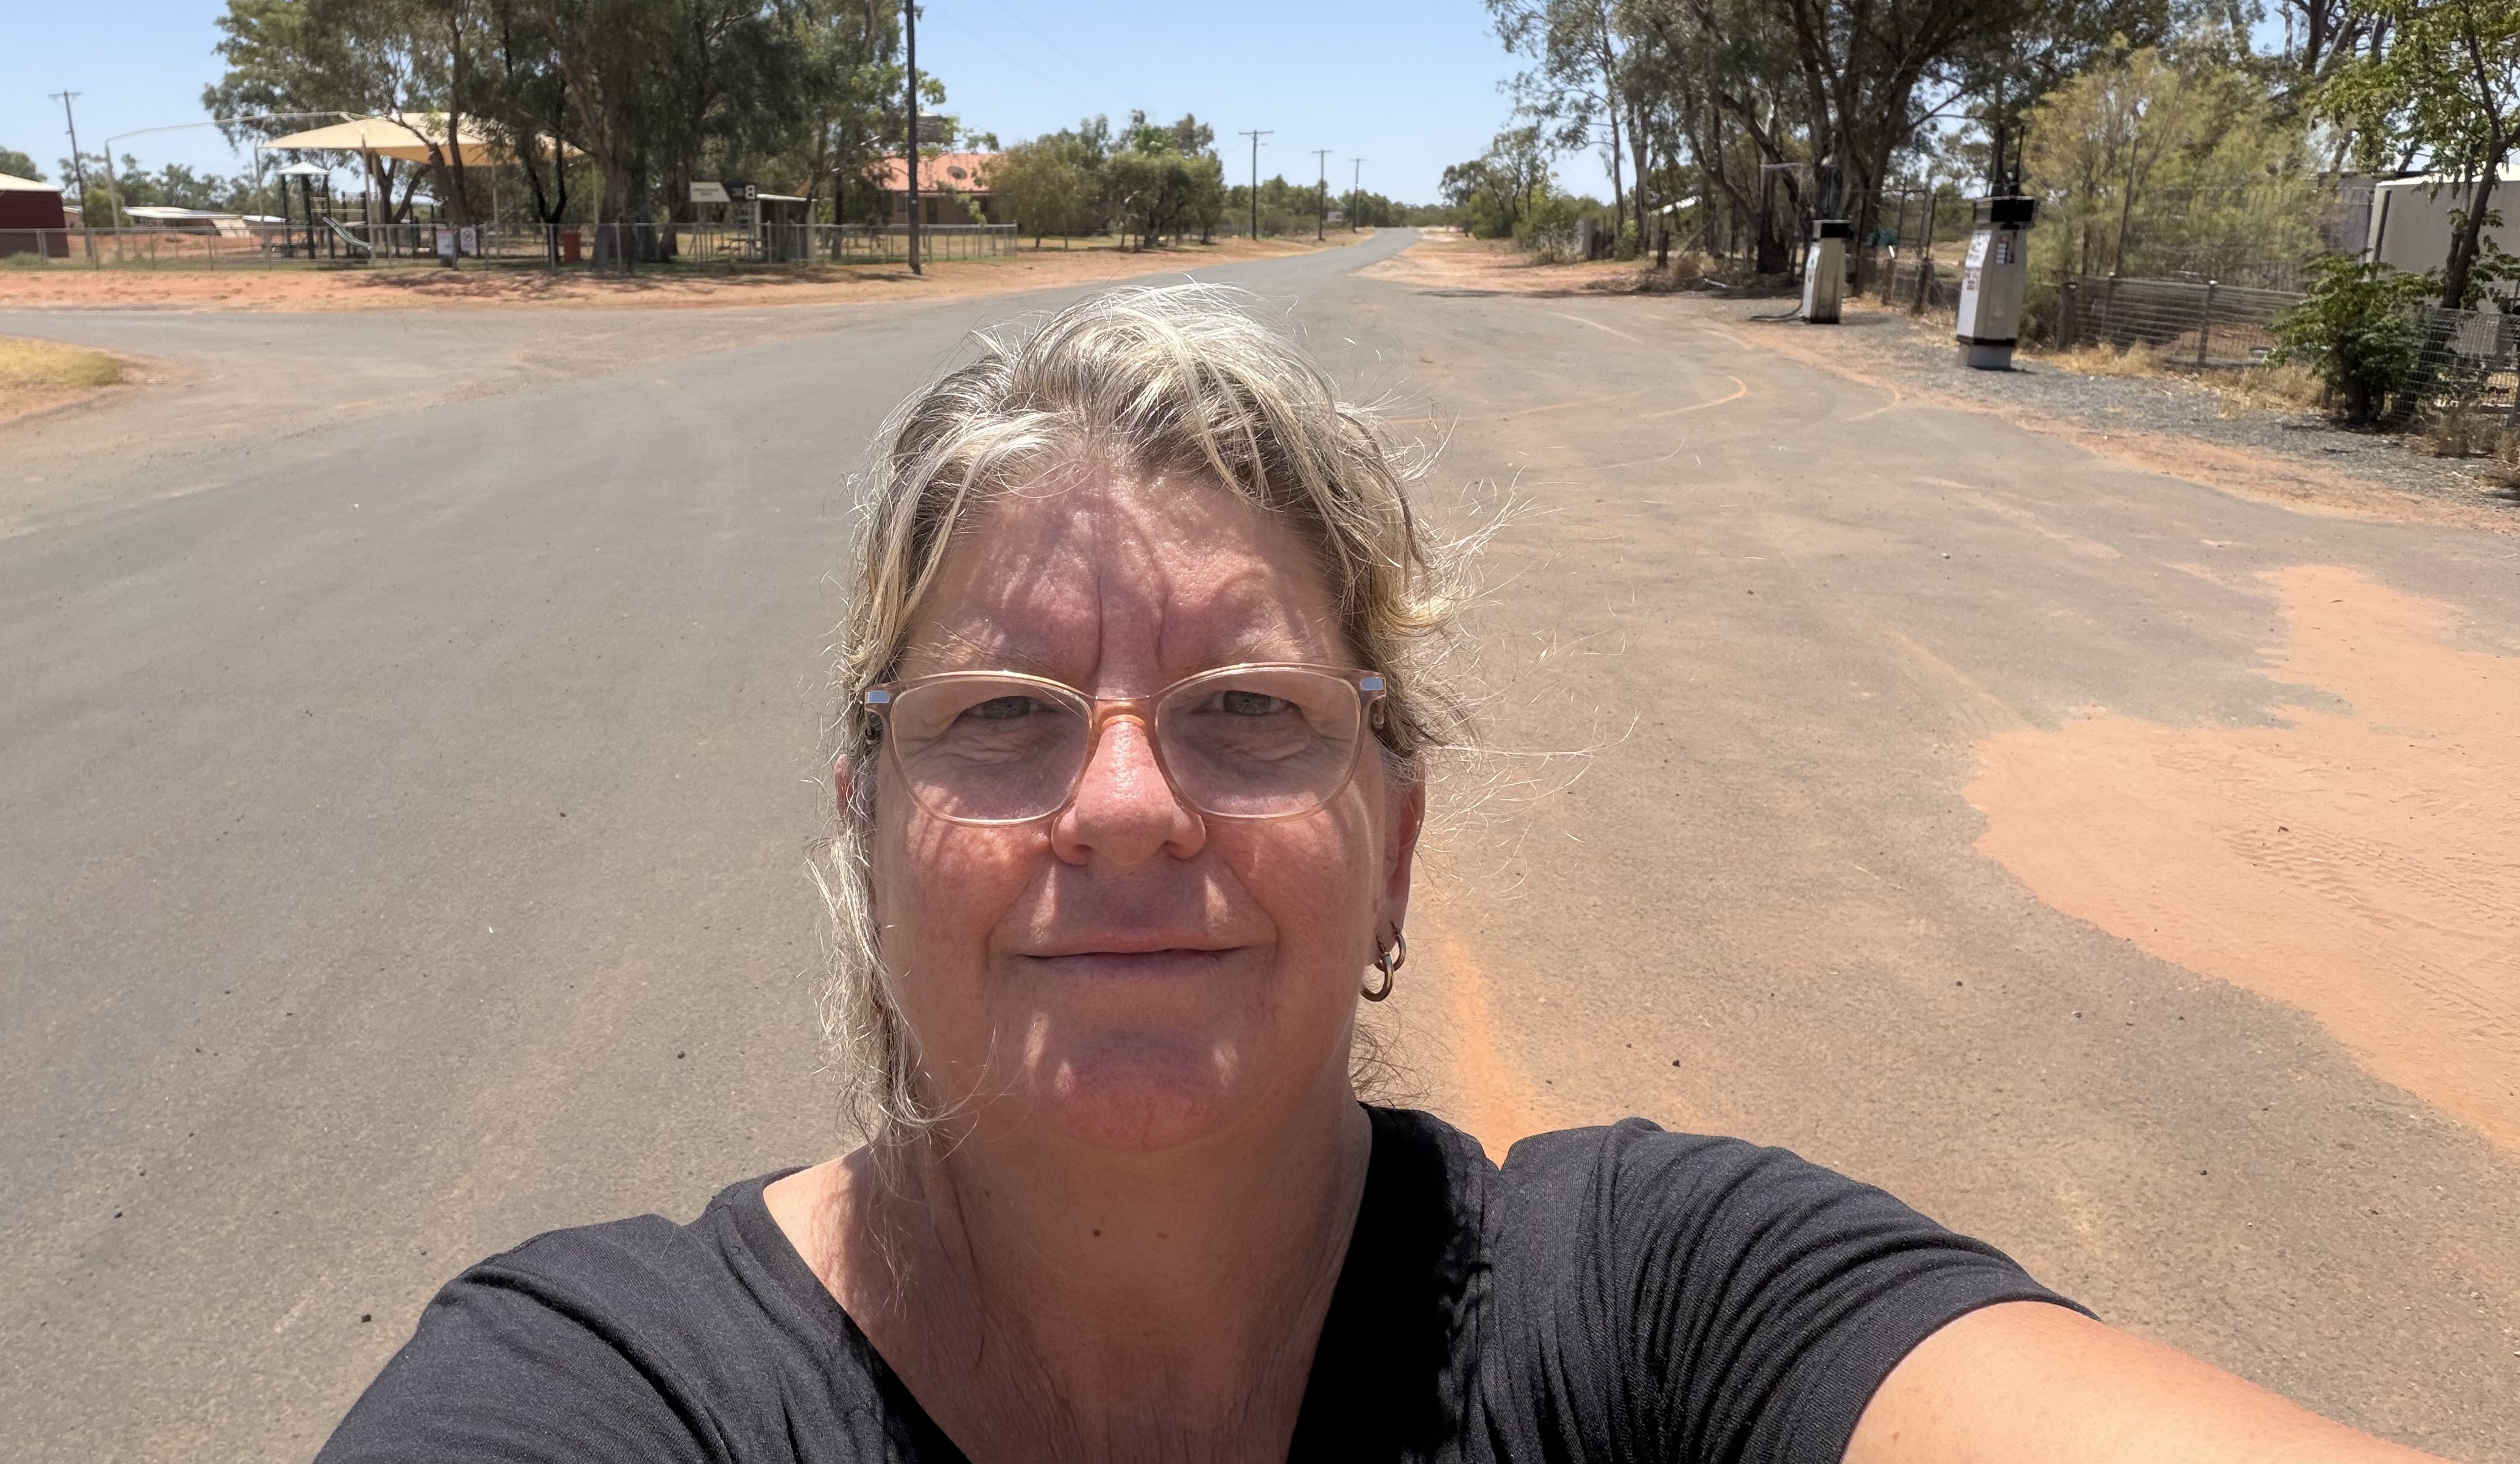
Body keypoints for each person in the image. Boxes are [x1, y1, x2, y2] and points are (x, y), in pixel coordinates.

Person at [320, 287, 2451, 1463]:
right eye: (1001, 715)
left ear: (1396, 834)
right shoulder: (629, 1385)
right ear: (869, 839)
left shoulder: (1650, 1308)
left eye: (1251, 708)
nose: (1133, 805)